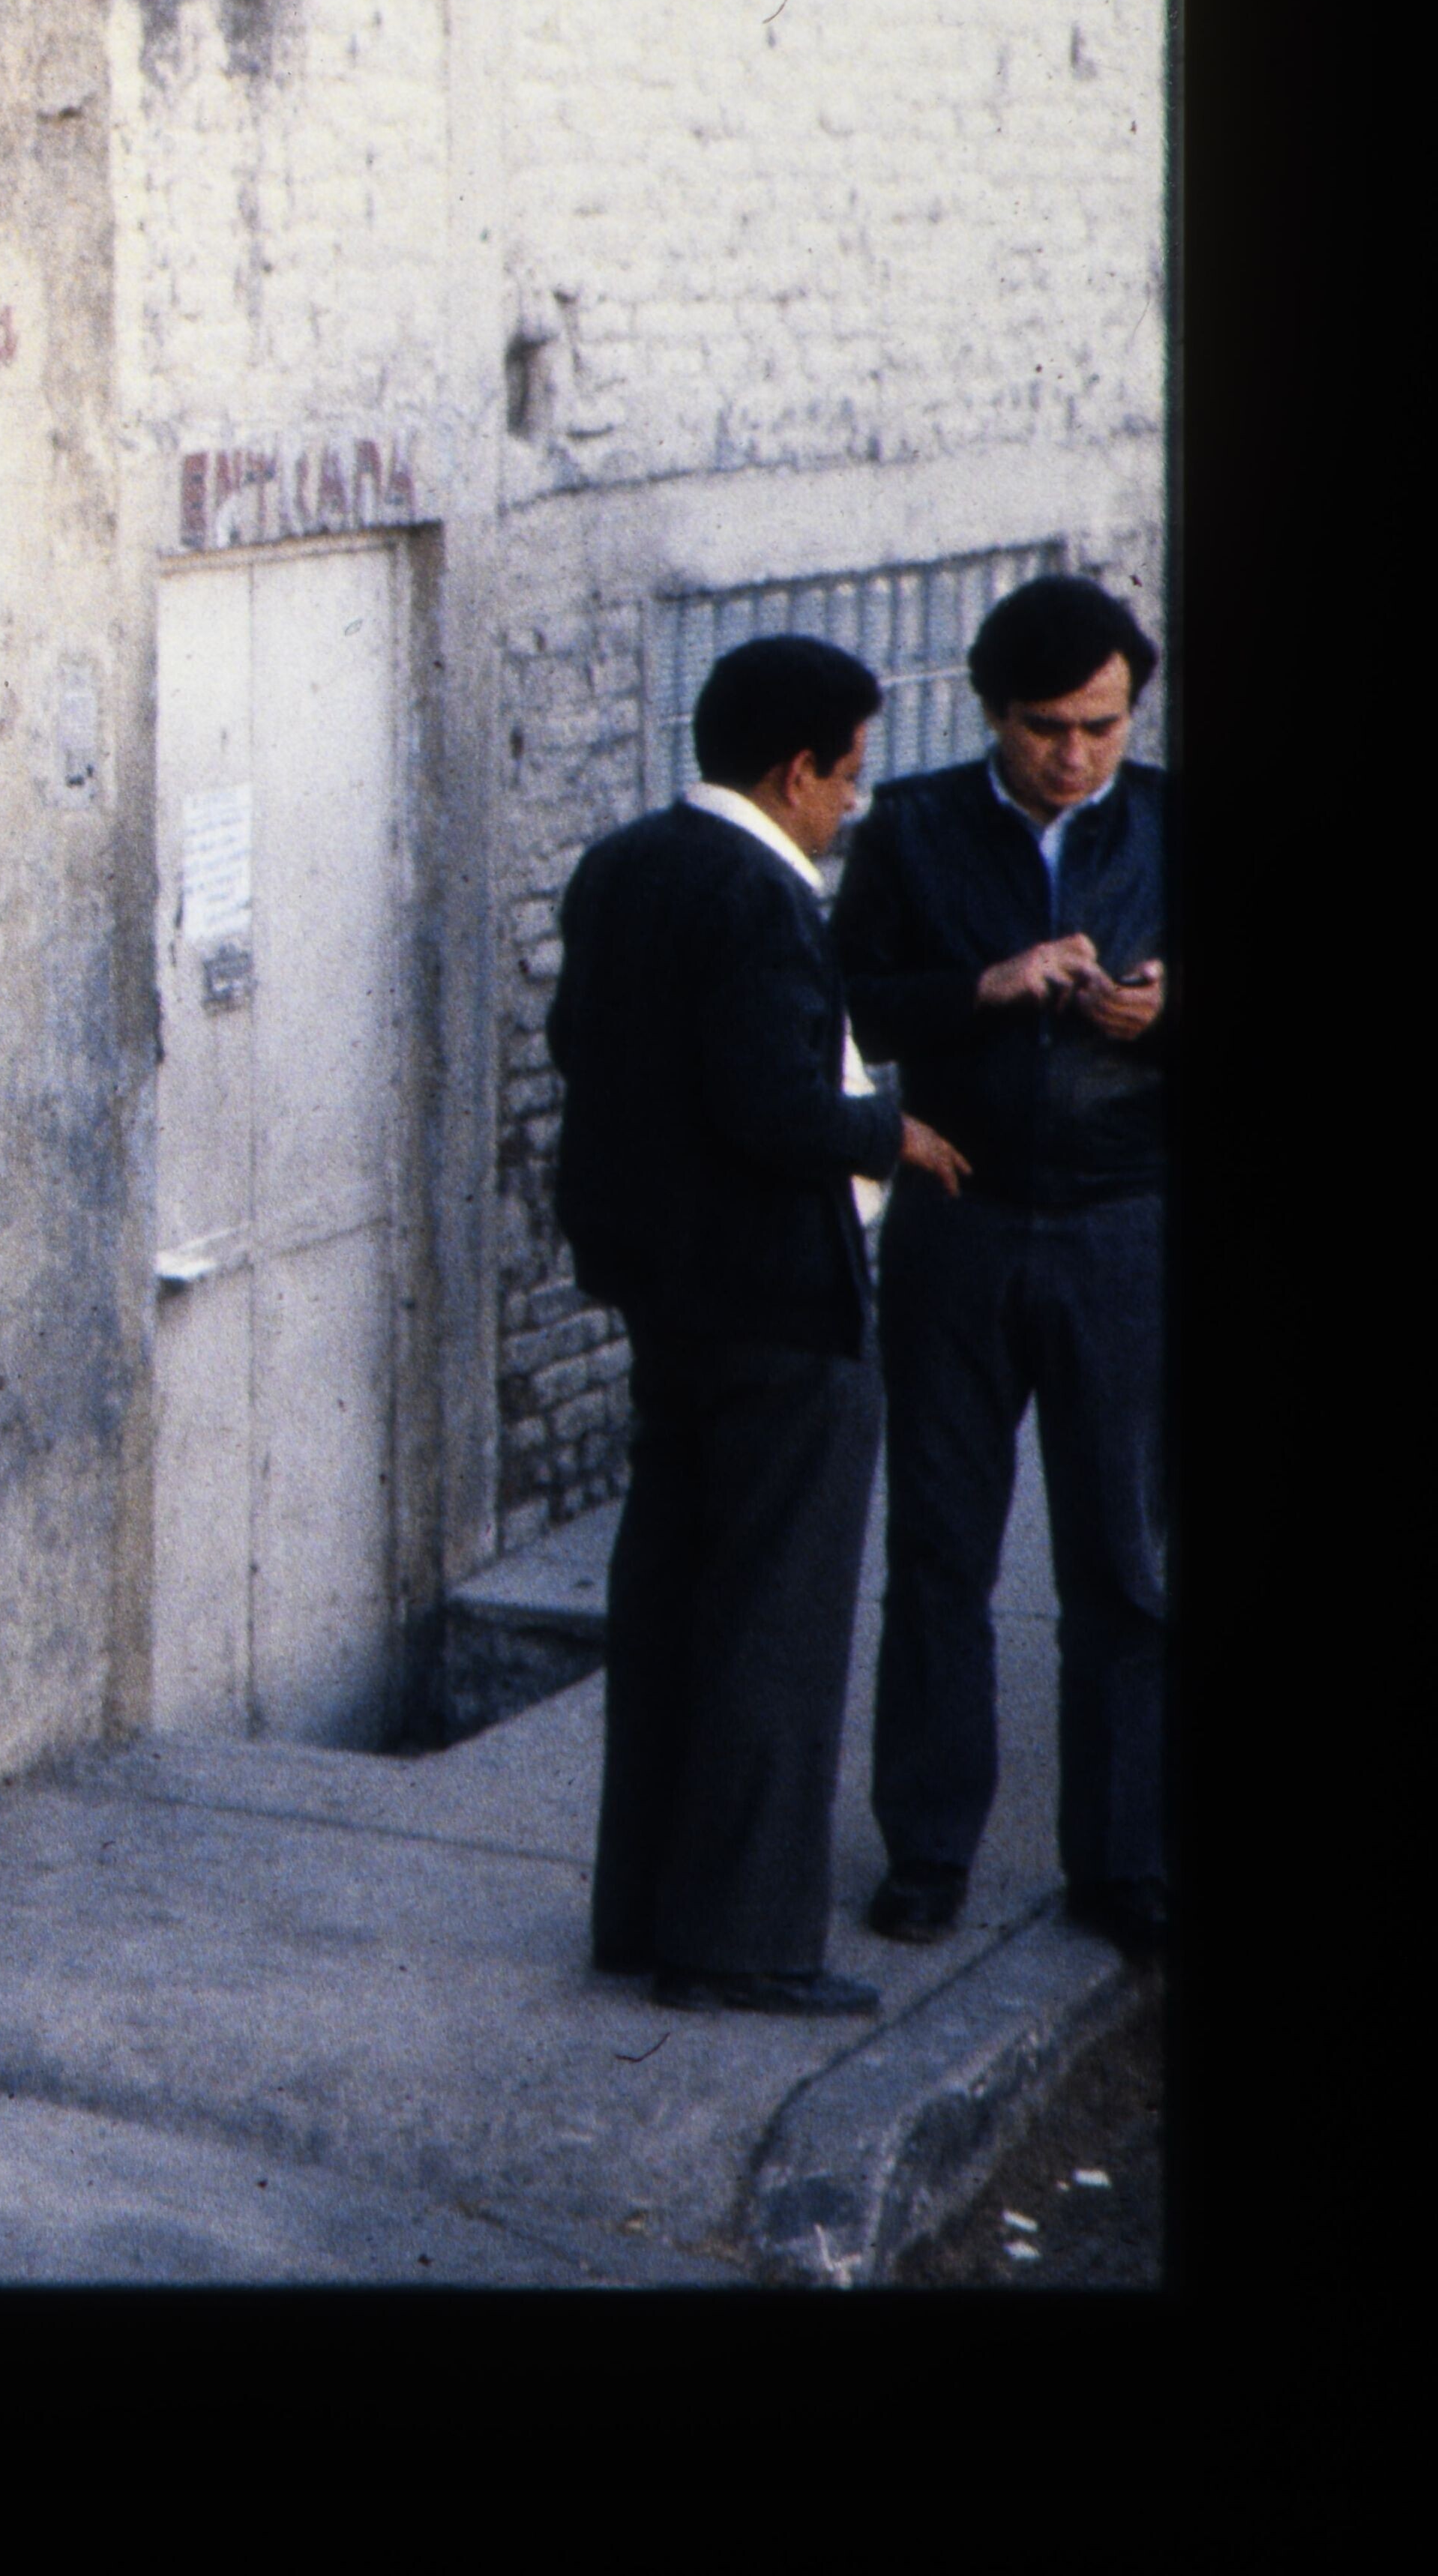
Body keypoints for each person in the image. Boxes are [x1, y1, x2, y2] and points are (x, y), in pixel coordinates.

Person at [549, 635, 972, 2016]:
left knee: (672, 1607)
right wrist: (890, 1129)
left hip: (664, 1298)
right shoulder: (762, 893)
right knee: (775, 1628)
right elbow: (774, 1106)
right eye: (848, 779)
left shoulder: (623, 865)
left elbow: (583, 1050)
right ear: (796, 773)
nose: (853, 805)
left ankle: (642, 1916)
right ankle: (739, 1944)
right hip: (778, 1303)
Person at [831, 575, 1167, 1955]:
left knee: (1122, 1564)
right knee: (939, 1552)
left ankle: (1125, 1862)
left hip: (1124, 1227)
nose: (1075, 757)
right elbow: (846, 1007)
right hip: (959, 1225)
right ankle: (928, 1852)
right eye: (1045, 729)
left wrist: (1164, 1013)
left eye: (1102, 726)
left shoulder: (1171, 823)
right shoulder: (912, 829)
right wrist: (985, 985)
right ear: (992, 714)